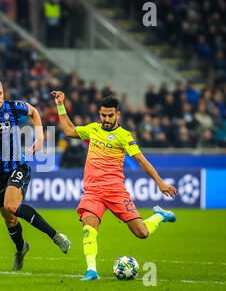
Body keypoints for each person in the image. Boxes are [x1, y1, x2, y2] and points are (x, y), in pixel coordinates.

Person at [52, 92, 178, 281]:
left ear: (117, 115)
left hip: (115, 191)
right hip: (93, 191)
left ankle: (160, 214)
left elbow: (141, 160)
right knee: (89, 228)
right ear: (99, 114)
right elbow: (70, 131)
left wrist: (159, 182)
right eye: (103, 115)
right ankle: (91, 271)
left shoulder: (124, 136)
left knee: (142, 233)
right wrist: (61, 106)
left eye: (110, 115)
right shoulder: (93, 129)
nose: (107, 119)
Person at [0, 77, 71, 271]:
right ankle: (21, 249)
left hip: (18, 166)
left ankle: (56, 236)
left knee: (11, 206)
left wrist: (39, 138)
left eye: (0, 93)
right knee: (10, 219)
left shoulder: (13, 107)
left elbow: (34, 112)